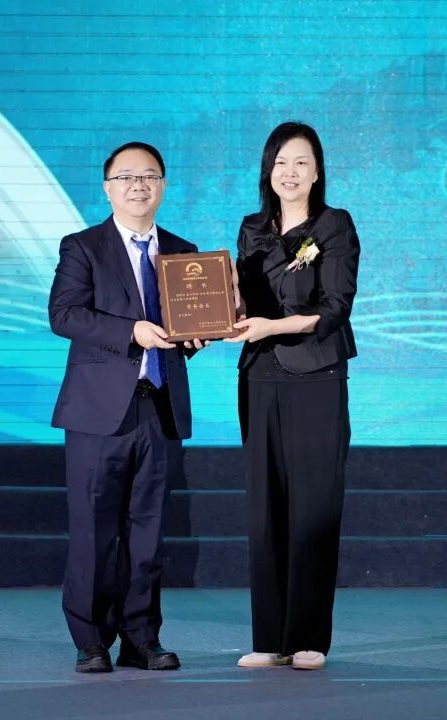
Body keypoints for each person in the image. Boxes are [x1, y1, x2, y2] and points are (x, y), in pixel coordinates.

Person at [48, 141, 209, 673]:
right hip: (98, 413)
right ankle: (91, 640)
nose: (138, 185)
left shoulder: (184, 253)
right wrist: (131, 332)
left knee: (148, 533)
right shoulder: (84, 247)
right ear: (108, 188)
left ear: (163, 185)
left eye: (149, 176)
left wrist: (196, 336)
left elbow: (186, 325)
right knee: (94, 530)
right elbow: (64, 315)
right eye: (126, 177)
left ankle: (141, 638)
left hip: (159, 408)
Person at [224, 122, 360, 672]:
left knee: (313, 507)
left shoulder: (334, 225)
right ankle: (270, 639)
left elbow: (335, 308)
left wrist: (270, 327)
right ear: (268, 170)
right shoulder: (252, 228)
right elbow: (243, 303)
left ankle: (308, 638)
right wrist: (223, 309)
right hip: (259, 375)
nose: (290, 172)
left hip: (316, 376)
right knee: (265, 507)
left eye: (301, 162)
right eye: (281, 162)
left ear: (317, 171)